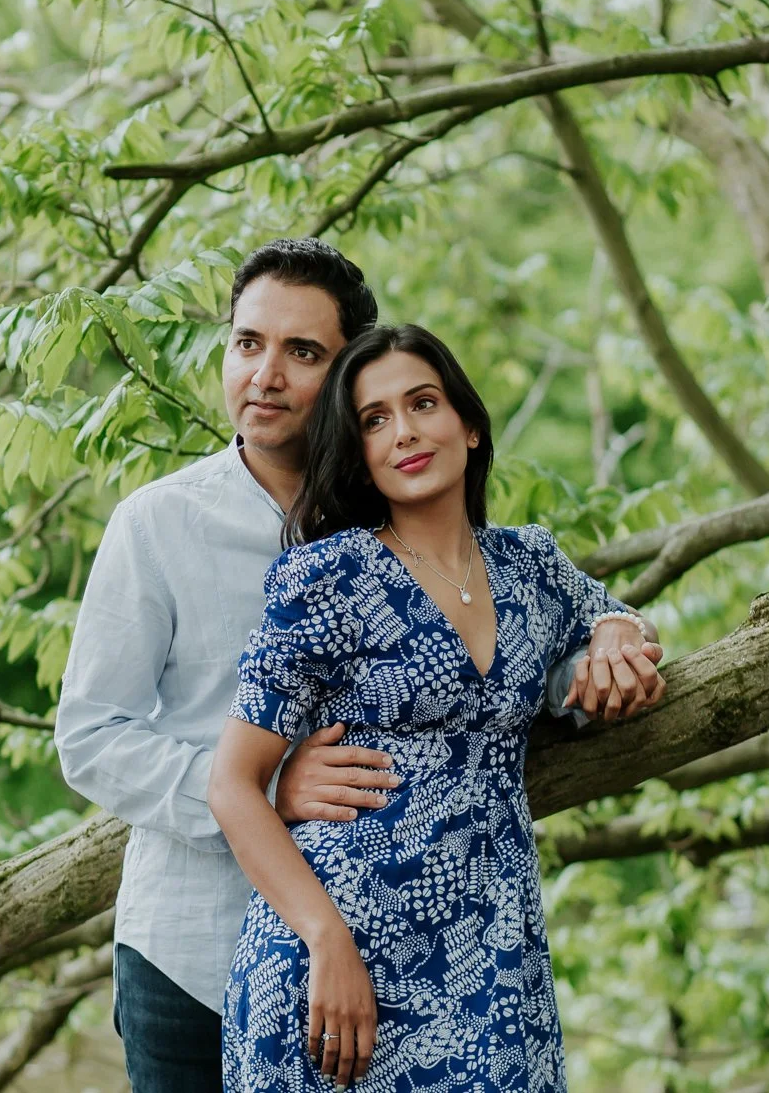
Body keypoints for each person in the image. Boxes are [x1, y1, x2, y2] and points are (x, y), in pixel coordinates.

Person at [56, 243, 663, 1093]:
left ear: (347, 374)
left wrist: (614, 632)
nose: (264, 374)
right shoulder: (158, 524)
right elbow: (90, 736)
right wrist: (273, 788)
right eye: (247, 343)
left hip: (417, 953)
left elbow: (533, 642)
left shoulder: (414, 520)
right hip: (194, 945)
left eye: (301, 352)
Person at [208, 323, 666, 1092]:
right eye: (374, 420)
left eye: (422, 403)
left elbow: (615, 618)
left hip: (492, 961)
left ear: (470, 423)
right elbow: (232, 785)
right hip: (335, 973)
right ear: (356, 453)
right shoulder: (327, 578)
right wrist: (327, 942)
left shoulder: (530, 564)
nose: (405, 432)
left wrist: (621, 629)